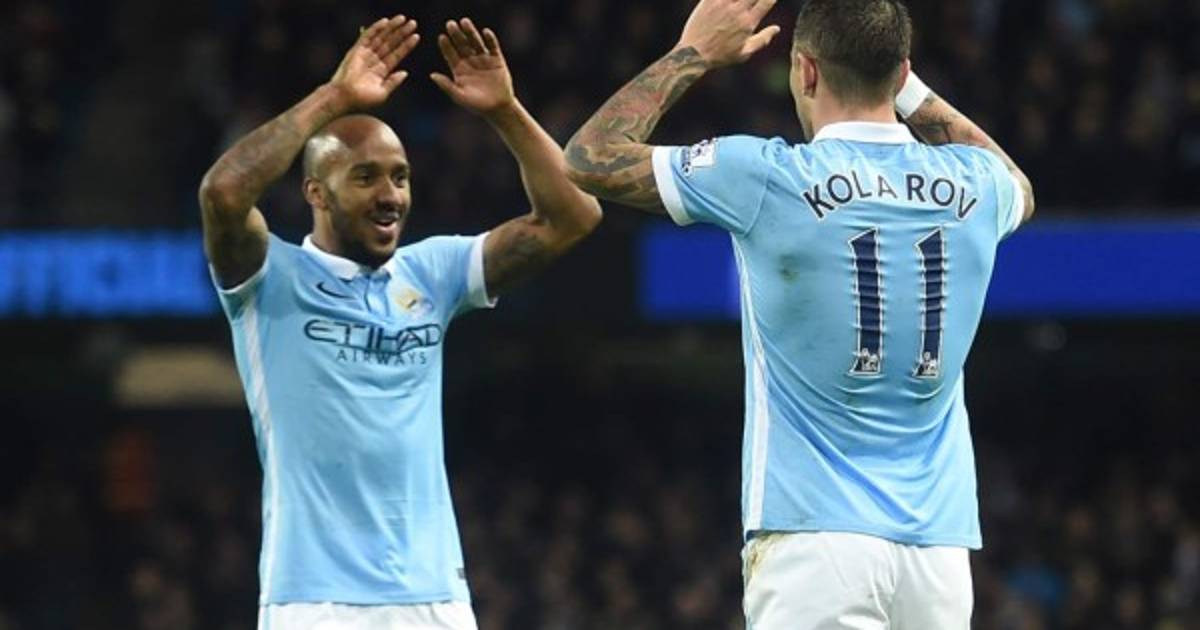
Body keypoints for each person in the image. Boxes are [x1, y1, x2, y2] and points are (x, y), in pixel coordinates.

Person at [565, 0, 1034, 627]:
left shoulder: (766, 176)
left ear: (806, 71)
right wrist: (905, 87)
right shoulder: (976, 183)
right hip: (938, 555)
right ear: (901, 74)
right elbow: (1018, 184)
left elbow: (589, 156)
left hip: (813, 542)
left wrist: (693, 53)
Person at [198, 14, 600, 630]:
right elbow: (223, 194)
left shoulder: (430, 274)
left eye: (400, 177)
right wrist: (335, 97)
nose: (391, 195)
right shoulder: (268, 277)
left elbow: (572, 216)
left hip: (434, 596)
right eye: (365, 177)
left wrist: (505, 111)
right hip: (315, 599)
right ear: (316, 193)